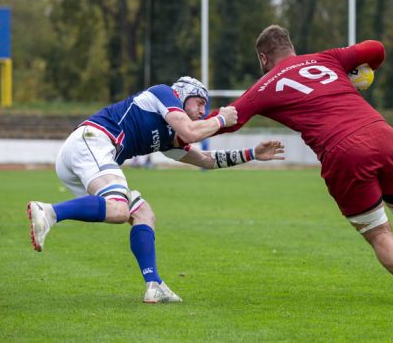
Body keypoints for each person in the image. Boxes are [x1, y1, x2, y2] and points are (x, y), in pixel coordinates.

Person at [209, 25, 393, 304]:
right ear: (290, 46)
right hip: (381, 132)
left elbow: (228, 122)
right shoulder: (328, 58)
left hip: (343, 151)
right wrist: (362, 72)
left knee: (379, 233)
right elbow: (375, 48)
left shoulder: (265, 85)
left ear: (263, 57)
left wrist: (186, 123)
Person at [28, 77, 285, 303]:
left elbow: (206, 160)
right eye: (199, 103)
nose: (202, 110)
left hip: (83, 154)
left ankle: (154, 286)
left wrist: (252, 153)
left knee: (143, 214)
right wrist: (221, 118)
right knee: (118, 209)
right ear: (182, 96)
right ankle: (49, 212)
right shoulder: (163, 93)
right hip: (93, 141)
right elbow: (191, 131)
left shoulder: (169, 138)